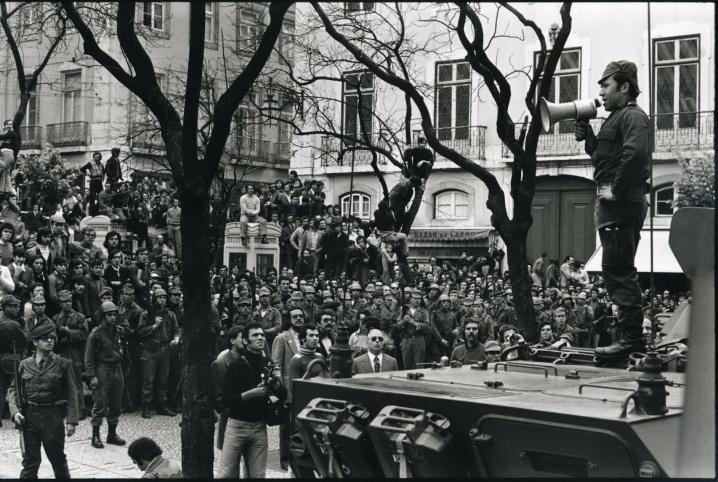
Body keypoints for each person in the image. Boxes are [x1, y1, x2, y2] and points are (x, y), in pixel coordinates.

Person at [575, 60, 649, 359]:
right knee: (615, 269)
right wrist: (589, 136)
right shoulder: (618, 118)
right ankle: (629, 338)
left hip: (620, 205)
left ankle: (631, 340)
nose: (601, 92)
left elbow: (636, 154)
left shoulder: (632, 116)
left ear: (625, 86)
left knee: (618, 271)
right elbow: (604, 156)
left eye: (606, 85)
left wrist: (616, 190)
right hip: (615, 207)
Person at [7, 323, 79, 479]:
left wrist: (72, 420)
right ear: (35, 342)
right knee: (30, 462)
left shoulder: (63, 364)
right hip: (29, 417)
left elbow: (73, 393)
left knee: (57, 459)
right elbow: (13, 389)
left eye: (52, 338)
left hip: (52, 416)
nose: (49, 341)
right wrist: (15, 412)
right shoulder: (24, 365)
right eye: (44, 338)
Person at [220, 322, 287, 478]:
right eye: (255, 335)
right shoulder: (235, 366)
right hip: (237, 426)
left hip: (259, 427)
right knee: (227, 473)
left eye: (262, 335)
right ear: (245, 341)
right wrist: (251, 394)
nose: (261, 338)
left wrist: (276, 384)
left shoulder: (268, 364)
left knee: (257, 475)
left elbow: (283, 395)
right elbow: (226, 400)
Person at [85, 301, 127, 449]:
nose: (113, 317)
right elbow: (89, 357)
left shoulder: (118, 331)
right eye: (109, 315)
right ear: (102, 316)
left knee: (116, 403)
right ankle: (95, 435)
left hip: (117, 368)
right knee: (100, 404)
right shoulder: (95, 334)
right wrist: (92, 376)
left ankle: (112, 434)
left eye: (114, 314)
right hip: (102, 369)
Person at [135, 288, 180, 418]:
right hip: (150, 349)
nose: (163, 300)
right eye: (160, 298)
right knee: (148, 380)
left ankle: (161, 404)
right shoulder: (146, 314)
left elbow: (177, 329)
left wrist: (176, 338)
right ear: (154, 299)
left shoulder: (170, 314)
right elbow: (140, 332)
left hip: (165, 349)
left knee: (163, 379)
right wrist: (154, 325)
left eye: (164, 298)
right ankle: (147, 406)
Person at [271, 307, 303, 471]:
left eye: (301, 316)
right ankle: (285, 461)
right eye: (295, 316)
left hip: (304, 388)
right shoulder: (282, 338)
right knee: (286, 427)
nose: (298, 318)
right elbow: (275, 364)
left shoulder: (305, 337)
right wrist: (279, 390)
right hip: (288, 388)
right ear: (289, 319)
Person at [0, 295, 28, 426]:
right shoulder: (13, 324)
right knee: (18, 387)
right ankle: (18, 417)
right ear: (5, 307)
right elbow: (26, 340)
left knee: (1, 388)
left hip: (2, 357)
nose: (17, 309)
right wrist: (24, 325)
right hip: (13, 357)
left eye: (17, 306)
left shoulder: (2, 319)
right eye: (13, 306)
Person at [286, 324, 325, 402]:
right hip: (305, 401)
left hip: (321, 399)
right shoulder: (296, 360)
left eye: (317, 336)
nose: (315, 339)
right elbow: (294, 389)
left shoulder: (320, 356)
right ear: (303, 339)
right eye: (311, 335)